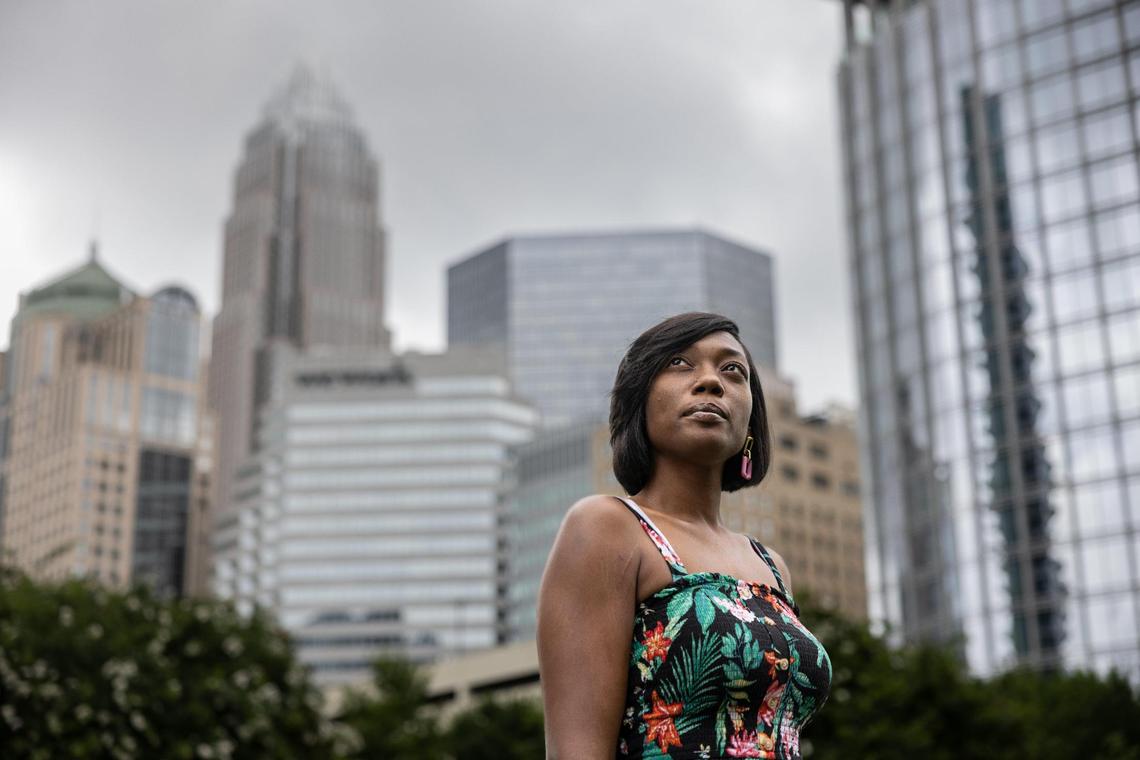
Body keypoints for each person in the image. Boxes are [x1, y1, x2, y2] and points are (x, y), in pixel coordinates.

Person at [537, 312, 831, 759]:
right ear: (640, 400)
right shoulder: (607, 528)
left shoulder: (770, 565)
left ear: (751, 422)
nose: (711, 382)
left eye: (733, 370)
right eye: (680, 363)